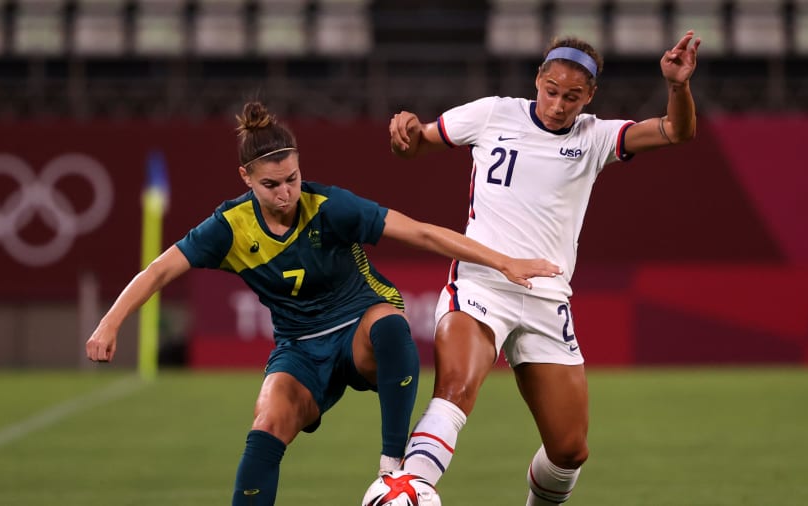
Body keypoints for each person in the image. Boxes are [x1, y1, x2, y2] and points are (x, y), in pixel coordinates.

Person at [85, 101, 561, 506]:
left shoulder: (329, 206)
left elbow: (420, 232)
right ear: (246, 178)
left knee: (390, 325)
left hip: (359, 327)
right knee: (268, 420)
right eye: (272, 185)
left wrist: (503, 262)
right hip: (300, 348)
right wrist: (110, 324)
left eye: (292, 178)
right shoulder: (229, 227)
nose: (286, 192)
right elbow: (159, 270)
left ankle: (393, 469)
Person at [387, 31, 701, 504]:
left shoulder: (595, 137)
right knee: (455, 389)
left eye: (571, 97)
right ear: (538, 79)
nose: (557, 104)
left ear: (589, 96)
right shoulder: (492, 112)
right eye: (551, 90)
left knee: (569, 450)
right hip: (483, 283)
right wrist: (405, 130)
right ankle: (407, 488)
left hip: (546, 299)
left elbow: (677, 132)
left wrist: (677, 86)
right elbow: (413, 148)